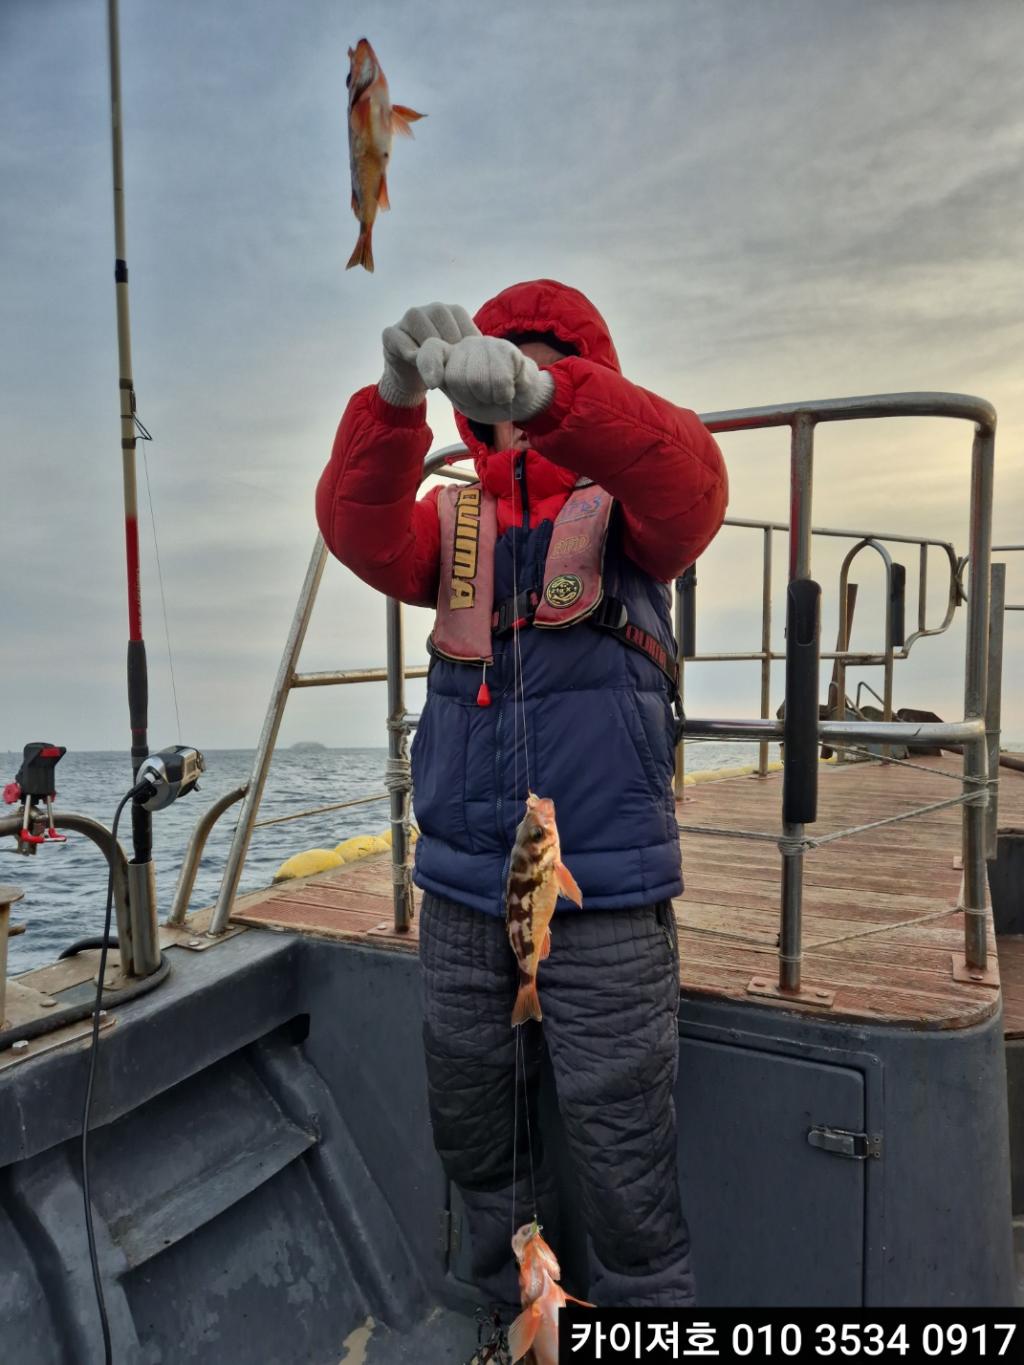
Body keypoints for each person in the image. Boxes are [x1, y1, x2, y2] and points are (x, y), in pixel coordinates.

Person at [316, 279, 728, 1309]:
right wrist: (390, 405)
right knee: (472, 1128)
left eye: (540, 362)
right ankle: (518, 1317)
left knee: (623, 1153)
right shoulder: (451, 522)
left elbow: (693, 475)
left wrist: (554, 397)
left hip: (608, 895)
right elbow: (356, 526)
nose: (509, 395)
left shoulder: (633, 514)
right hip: (458, 891)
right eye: (504, 372)